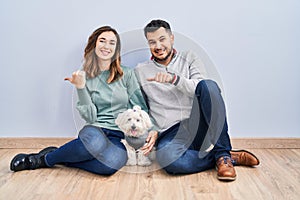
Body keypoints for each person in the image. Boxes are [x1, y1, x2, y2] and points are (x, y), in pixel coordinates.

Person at [10, 26, 148, 175]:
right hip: (95, 128)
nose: (106, 46)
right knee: (95, 144)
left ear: (116, 49)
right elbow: (90, 117)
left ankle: (62, 157)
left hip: (120, 134)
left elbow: (140, 107)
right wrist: (81, 88)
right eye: (102, 41)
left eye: (112, 43)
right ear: (94, 44)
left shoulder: (127, 74)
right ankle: (42, 160)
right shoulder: (84, 76)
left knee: (110, 165)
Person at [135, 19, 260, 181]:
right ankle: (222, 157)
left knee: (209, 85)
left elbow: (200, 87)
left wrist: (174, 80)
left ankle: (223, 154)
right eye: (152, 42)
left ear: (171, 38)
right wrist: (151, 128)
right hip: (170, 132)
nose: (158, 46)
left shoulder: (190, 57)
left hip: (198, 124)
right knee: (169, 161)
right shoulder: (140, 70)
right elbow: (140, 106)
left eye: (162, 39)